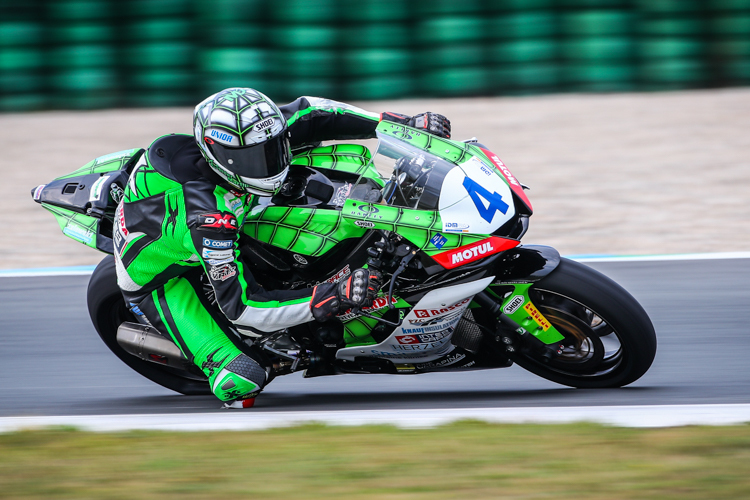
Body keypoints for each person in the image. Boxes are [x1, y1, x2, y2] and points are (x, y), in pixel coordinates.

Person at [114, 87, 451, 407]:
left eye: (273, 149)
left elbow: (314, 112)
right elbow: (243, 309)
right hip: (162, 282)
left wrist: (402, 125)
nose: (269, 163)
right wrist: (331, 295)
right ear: (220, 157)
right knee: (243, 379)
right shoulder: (209, 220)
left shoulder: (254, 132)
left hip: (222, 208)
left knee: (336, 177)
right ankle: (231, 356)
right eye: (253, 159)